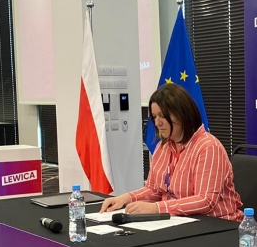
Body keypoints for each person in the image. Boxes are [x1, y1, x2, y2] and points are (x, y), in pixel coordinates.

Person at [100, 83, 243, 221]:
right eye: (154, 117)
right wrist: (126, 198)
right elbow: (154, 189)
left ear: (182, 114)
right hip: (180, 222)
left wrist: (157, 208)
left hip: (217, 223)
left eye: (163, 116)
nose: (157, 123)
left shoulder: (208, 147)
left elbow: (205, 201)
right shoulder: (162, 147)